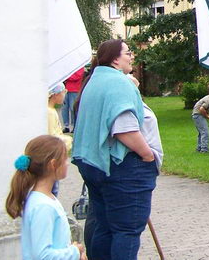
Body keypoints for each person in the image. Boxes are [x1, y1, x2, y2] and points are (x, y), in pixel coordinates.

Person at [72, 39, 158, 260]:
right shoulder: (119, 83)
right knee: (126, 230)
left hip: (94, 164)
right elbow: (124, 129)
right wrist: (147, 155)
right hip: (121, 167)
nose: (132, 57)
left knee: (104, 226)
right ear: (115, 59)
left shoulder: (94, 81)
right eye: (128, 53)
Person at [6, 135, 86, 260]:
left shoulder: (45, 199)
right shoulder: (43, 206)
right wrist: (74, 252)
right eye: (65, 159)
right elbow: (43, 255)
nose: (68, 164)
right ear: (53, 165)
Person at [192, 83, 209, 153]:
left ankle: (199, 148)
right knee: (205, 132)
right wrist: (207, 116)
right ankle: (204, 150)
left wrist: (207, 116)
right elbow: (201, 109)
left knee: (202, 132)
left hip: (196, 115)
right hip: (198, 115)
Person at [48, 82, 73, 155]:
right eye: (63, 92)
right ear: (56, 94)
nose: (64, 95)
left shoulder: (52, 110)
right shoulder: (50, 113)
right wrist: (69, 140)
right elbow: (52, 136)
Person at [61, 66, 84, 132]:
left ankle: (74, 126)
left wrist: (67, 77)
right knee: (64, 108)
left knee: (72, 108)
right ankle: (66, 126)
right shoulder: (71, 65)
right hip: (66, 89)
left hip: (75, 90)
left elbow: (76, 77)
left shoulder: (80, 66)